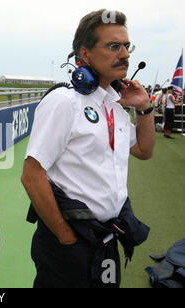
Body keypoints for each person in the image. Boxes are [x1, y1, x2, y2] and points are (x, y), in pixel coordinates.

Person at [21, 9, 154, 288]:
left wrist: (143, 107)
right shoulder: (63, 102)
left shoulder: (115, 105)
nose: (125, 54)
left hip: (106, 239)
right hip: (70, 241)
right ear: (86, 53)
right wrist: (64, 236)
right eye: (113, 46)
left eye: (127, 46)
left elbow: (144, 149)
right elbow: (32, 175)